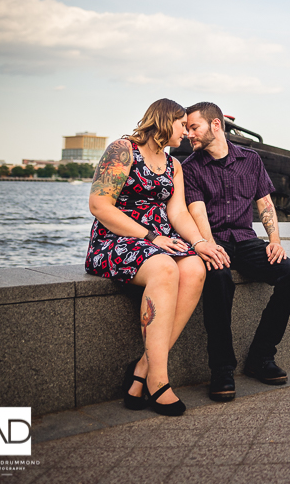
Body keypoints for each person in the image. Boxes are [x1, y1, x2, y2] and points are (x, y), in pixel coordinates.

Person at [85, 98, 226, 416]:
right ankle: (158, 381)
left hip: (160, 241)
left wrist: (201, 242)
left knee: (193, 266)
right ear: (166, 120)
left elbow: (177, 213)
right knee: (164, 268)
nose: (187, 134)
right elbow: (99, 205)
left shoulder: (173, 164)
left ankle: (142, 369)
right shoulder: (123, 150)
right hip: (117, 240)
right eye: (183, 126)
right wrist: (151, 237)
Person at [182, 101, 290, 401]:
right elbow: (197, 213)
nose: (188, 135)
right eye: (185, 129)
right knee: (219, 278)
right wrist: (210, 247)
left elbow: (265, 204)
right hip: (213, 239)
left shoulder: (250, 160)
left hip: (246, 240)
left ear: (215, 125)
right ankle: (221, 369)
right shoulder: (190, 168)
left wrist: (274, 240)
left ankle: (261, 357)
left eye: (193, 127)